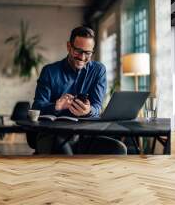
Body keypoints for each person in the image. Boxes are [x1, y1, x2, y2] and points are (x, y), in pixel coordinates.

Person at [30, 26, 125, 155]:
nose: (82, 57)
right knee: (66, 154)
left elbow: (97, 106)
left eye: (88, 53)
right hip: (52, 135)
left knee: (118, 149)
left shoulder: (98, 70)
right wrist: (56, 106)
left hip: (85, 135)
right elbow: (37, 107)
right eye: (78, 51)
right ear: (69, 46)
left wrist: (88, 111)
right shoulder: (49, 71)